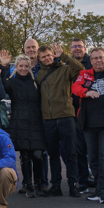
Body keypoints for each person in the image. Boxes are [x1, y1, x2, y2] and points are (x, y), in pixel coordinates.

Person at [69, 16, 104, 194]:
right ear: (91, 60)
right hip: (88, 124)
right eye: (95, 58)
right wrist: (86, 92)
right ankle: (98, 189)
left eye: (101, 58)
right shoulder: (85, 74)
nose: (98, 61)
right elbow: (75, 87)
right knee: (93, 159)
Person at [35, 43, 84, 197]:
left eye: (49, 55)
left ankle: (73, 185)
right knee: (53, 155)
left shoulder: (65, 69)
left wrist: (63, 55)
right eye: (43, 56)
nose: (47, 58)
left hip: (65, 116)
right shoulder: (39, 75)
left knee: (71, 153)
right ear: (39, 59)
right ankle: (56, 185)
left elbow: (81, 70)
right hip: (48, 119)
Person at [1, 52, 47, 197]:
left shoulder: (35, 82)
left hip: (36, 121)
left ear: (29, 67)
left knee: (38, 155)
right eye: (20, 66)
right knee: (25, 155)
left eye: (26, 66)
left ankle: (39, 183)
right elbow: (2, 84)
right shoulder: (12, 82)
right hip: (19, 121)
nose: (23, 68)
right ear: (16, 66)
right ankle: (29, 186)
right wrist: (4, 66)